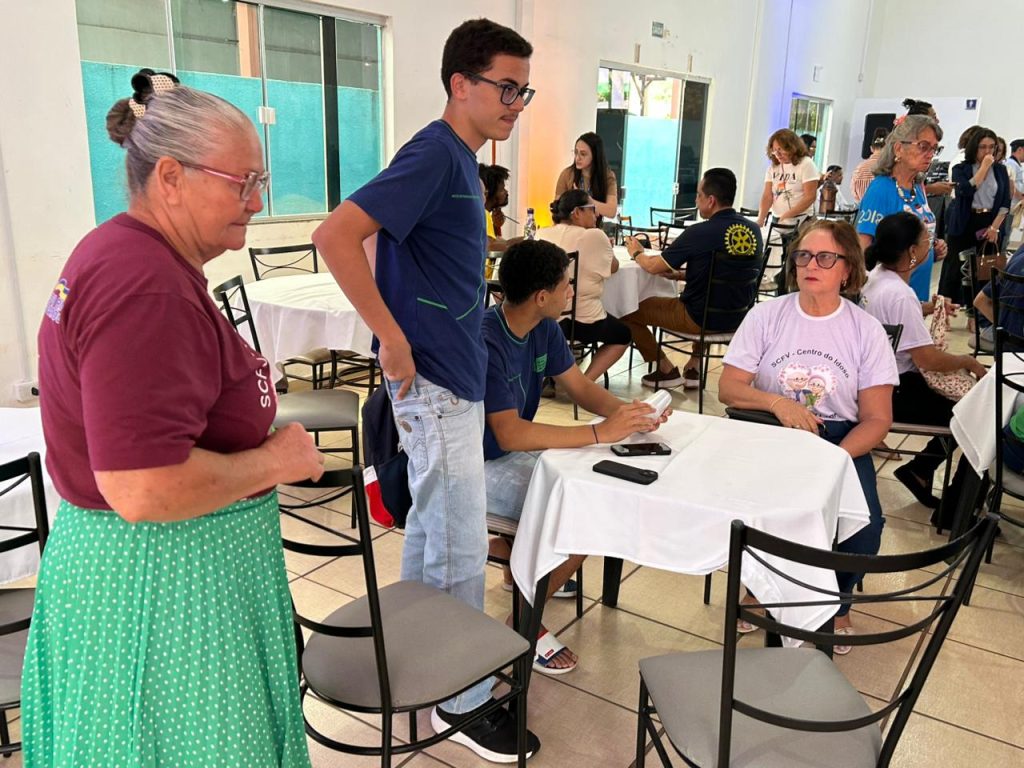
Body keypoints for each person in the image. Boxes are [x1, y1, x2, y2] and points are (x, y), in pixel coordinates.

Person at [24, 72, 323, 766]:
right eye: (241, 182)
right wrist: (278, 461)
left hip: (149, 581)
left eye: (261, 180)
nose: (258, 200)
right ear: (170, 177)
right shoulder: (145, 285)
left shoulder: (129, 256)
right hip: (161, 593)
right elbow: (143, 488)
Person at [311, 19, 540, 762]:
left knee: (438, 539)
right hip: (435, 379)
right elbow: (337, 234)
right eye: (506, 87)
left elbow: (390, 242)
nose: (516, 102)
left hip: (450, 372)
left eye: (522, 89)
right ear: (461, 84)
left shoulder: (458, 163)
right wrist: (392, 333)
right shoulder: (435, 154)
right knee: (457, 546)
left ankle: (420, 668)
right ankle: (463, 702)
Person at [482, 240, 666, 674]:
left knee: (590, 485)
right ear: (542, 296)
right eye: (567, 285)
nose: (572, 293)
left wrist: (630, 414)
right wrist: (600, 432)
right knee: (589, 513)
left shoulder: (544, 328)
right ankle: (523, 621)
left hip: (513, 453)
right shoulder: (487, 340)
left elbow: (579, 387)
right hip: (480, 465)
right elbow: (508, 434)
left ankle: (522, 564)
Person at [719, 219, 897, 652]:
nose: (810, 265)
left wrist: (836, 458)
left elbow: (877, 419)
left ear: (847, 271)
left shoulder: (864, 329)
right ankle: (764, 586)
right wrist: (778, 403)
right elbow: (729, 387)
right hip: (771, 430)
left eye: (824, 257)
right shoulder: (767, 315)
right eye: (802, 255)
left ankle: (835, 599)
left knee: (864, 526)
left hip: (840, 437)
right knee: (761, 514)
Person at [860, 213, 987, 513]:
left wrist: (929, 307)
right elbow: (927, 358)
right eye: (925, 240)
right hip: (896, 390)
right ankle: (956, 509)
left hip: (877, 380)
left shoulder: (877, 277)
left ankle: (919, 470)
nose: (930, 244)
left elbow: (896, 310)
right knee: (975, 415)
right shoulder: (900, 294)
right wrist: (967, 361)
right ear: (913, 252)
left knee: (966, 410)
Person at [620, 168, 763, 389]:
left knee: (627, 311)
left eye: (698, 195)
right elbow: (724, 274)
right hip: (738, 318)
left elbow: (653, 265)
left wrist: (636, 252)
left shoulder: (700, 232)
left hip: (697, 319)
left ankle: (666, 369)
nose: (696, 200)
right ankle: (694, 366)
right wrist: (679, 274)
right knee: (712, 297)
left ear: (711, 200)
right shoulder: (754, 231)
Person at [536, 189, 631, 381]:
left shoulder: (541, 234)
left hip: (544, 318)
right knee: (623, 334)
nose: (596, 214)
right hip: (582, 321)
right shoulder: (594, 235)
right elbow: (614, 267)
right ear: (577, 212)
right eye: (592, 209)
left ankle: (551, 379)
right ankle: (584, 383)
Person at [856, 115, 948, 303]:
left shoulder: (916, 187)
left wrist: (931, 247)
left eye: (934, 148)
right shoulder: (881, 190)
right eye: (923, 146)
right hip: (889, 298)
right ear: (898, 148)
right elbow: (862, 251)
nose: (930, 154)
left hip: (915, 291)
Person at [940, 127, 1012, 306]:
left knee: (985, 270)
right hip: (965, 220)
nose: (988, 151)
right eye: (983, 147)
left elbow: (1005, 202)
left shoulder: (1001, 171)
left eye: (992, 147)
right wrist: (984, 168)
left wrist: (995, 227)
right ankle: (945, 310)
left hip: (989, 222)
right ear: (974, 147)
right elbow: (965, 189)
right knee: (955, 268)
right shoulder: (961, 168)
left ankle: (977, 313)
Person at [757, 128, 819, 227]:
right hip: (777, 219)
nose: (777, 154)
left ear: (792, 147)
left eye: (780, 149)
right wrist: (760, 219)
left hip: (801, 220)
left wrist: (787, 216)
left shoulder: (806, 164)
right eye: (774, 150)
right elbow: (767, 196)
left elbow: (810, 197)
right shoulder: (773, 168)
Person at [554, 131, 618, 219]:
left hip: (594, 228)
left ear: (595, 156)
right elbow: (556, 210)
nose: (577, 158)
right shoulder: (567, 174)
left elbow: (611, 211)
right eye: (576, 152)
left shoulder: (607, 176)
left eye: (583, 154)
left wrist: (587, 200)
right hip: (570, 228)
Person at [480, 163, 522, 252]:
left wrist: (496, 226)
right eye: (502, 189)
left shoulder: (483, 214)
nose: (506, 192)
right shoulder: (484, 214)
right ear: (489, 192)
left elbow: (495, 241)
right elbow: (490, 247)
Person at [852, 128, 888, 203]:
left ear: (871, 148)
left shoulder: (858, 169)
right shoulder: (891, 167)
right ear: (889, 148)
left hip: (864, 212)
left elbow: (855, 196)